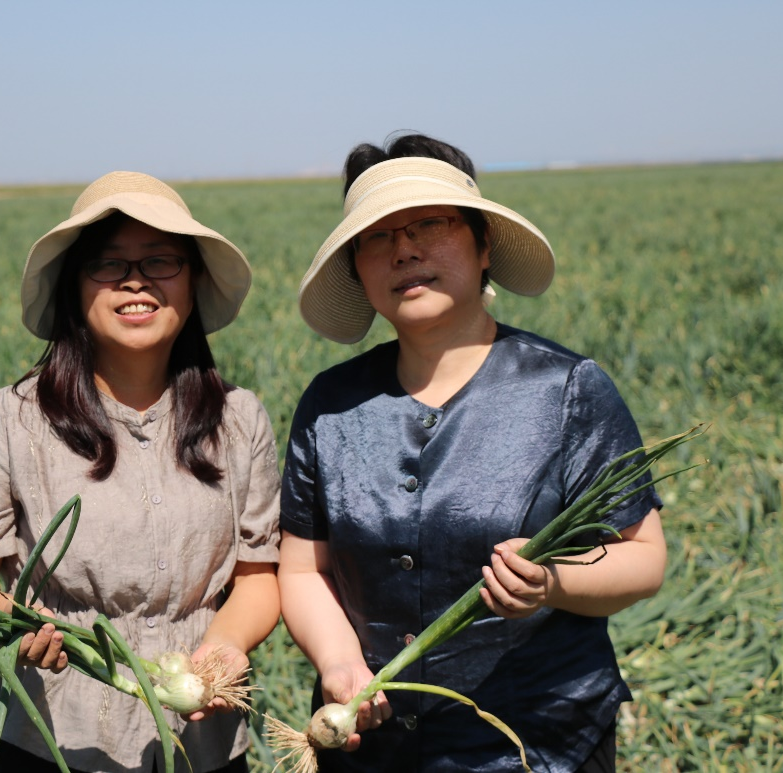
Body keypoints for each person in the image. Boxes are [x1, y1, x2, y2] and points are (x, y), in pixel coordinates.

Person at [278, 134, 666, 773]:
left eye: (430, 225)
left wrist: (552, 582)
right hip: (372, 748)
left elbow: (644, 557)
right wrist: (338, 661)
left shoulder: (565, 389)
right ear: (357, 269)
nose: (405, 250)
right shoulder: (331, 404)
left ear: (484, 246)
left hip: (540, 746)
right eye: (378, 236)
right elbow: (302, 570)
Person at [0, 171, 282, 773]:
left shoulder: (239, 419)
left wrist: (225, 646)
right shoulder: (11, 421)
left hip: (204, 741)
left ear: (193, 281)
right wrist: (17, 624)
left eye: (160, 260)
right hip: (50, 741)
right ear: (75, 287)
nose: (135, 280)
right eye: (108, 264)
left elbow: (257, 576)